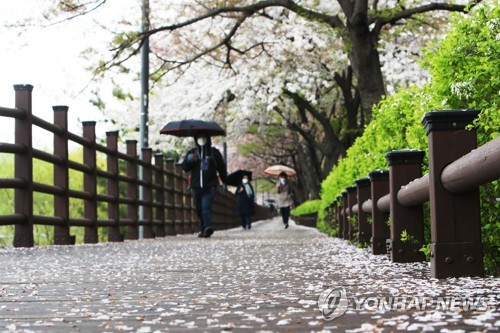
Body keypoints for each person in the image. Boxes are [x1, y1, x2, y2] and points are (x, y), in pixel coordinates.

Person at [181, 133, 227, 238]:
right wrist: (189, 159)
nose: (202, 139)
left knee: (206, 206)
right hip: (196, 186)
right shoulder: (192, 152)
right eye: (199, 137)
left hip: (210, 186)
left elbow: (221, 168)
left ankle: (208, 227)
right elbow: (184, 167)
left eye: (204, 136)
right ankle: (203, 228)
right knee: (199, 208)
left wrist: (224, 181)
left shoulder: (214, 153)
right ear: (196, 139)